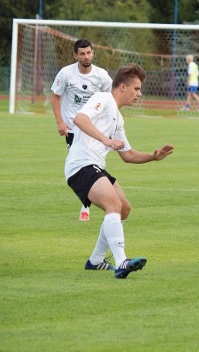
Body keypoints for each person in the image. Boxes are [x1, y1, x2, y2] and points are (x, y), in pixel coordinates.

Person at [65, 64, 174, 278]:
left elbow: (128, 155)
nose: (139, 94)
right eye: (136, 89)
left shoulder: (118, 118)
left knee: (123, 208)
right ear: (122, 87)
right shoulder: (104, 99)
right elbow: (80, 119)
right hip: (80, 165)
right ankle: (121, 261)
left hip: (95, 166)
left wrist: (153, 157)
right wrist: (105, 139)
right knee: (113, 204)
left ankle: (96, 260)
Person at [51, 39, 113, 222]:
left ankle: (88, 201)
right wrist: (60, 123)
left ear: (93, 53)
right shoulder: (66, 74)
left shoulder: (102, 76)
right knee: (78, 164)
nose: (86, 56)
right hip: (73, 129)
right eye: (82, 53)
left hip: (95, 129)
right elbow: (55, 97)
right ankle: (86, 203)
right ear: (75, 55)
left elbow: (111, 99)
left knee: (96, 162)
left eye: (89, 53)